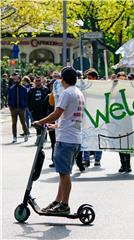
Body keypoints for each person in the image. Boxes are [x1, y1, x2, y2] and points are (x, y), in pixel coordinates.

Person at [33, 66, 85, 215]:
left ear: (63, 79)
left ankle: (65, 205)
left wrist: (41, 121)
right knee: (63, 173)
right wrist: (54, 126)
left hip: (66, 139)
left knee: (64, 173)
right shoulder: (78, 93)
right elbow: (70, 117)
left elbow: (57, 113)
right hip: (74, 137)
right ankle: (58, 201)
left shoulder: (66, 93)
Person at [83, 68, 103, 167]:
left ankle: (97, 158)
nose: (88, 79)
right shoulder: (85, 87)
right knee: (86, 136)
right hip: (87, 115)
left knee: (98, 137)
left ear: (95, 78)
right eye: (87, 77)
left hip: (99, 115)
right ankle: (86, 159)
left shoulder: (102, 87)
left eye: (90, 78)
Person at [7, 72, 29, 143]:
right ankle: (14, 137)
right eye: (15, 79)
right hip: (13, 108)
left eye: (17, 79)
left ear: (19, 79)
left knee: (23, 122)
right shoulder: (11, 88)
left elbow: (26, 98)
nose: (16, 80)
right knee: (14, 123)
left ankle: (26, 134)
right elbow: (9, 98)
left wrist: (24, 106)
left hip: (21, 108)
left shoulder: (23, 88)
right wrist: (10, 106)